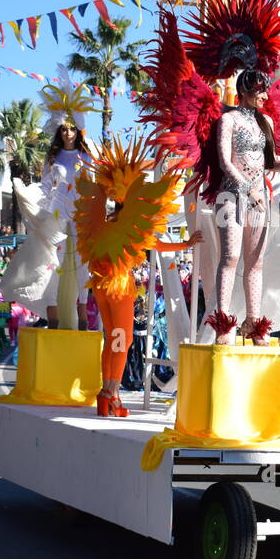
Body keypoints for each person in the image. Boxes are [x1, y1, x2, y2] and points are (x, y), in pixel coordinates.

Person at [75, 139, 201, 417]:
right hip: (120, 287)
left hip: (100, 286)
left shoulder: (101, 224)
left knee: (112, 339)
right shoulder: (130, 226)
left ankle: (106, 393)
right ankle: (112, 393)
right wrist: (186, 244)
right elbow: (155, 244)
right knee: (122, 339)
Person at [205, 69, 280, 344]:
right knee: (230, 258)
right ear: (244, 91)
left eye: (265, 90)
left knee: (256, 263)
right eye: (259, 90)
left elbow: (270, 164)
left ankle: (254, 323)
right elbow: (226, 162)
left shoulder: (266, 122)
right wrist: (248, 189)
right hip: (231, 197)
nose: (264, 95)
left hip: (259, 199)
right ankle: (223, 323)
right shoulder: (228, 120)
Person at [38, 104, 95, 331]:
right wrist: (42, 211)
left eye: (71, 129)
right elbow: (44, 187)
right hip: (57, 214)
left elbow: (93, 185)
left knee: (83, 264)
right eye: (63, 130)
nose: (67, 134)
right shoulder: (53, 157)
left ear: (77, 131)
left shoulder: (86, 156)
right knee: (54, 262)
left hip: (80, 215)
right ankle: (53, 313)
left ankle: (82, 312)